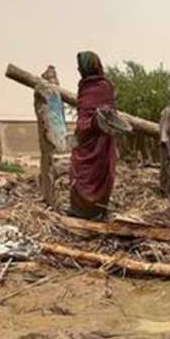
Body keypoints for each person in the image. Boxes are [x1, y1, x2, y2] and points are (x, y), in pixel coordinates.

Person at [67, 51, 118, 220]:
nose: (79, 70)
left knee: (100, 172)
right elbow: (83, 113)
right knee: (79, 170)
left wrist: (97, 120)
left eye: (81, 67)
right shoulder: (84, 86)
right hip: (84, 139)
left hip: (100, 139)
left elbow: (110, 114)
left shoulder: (105, 86)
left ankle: (98, 210)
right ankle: (79, 210)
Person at [34, 65, 62, 208]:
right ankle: (48, 198)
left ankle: (51, 200)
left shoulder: (55, 93)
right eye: (50, 78)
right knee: (48, 166)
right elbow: (43, 113)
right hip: (48, 137)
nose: (54, 81)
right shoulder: (43, 90)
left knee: (53, 169)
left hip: (55, 135)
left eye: (54, 78)